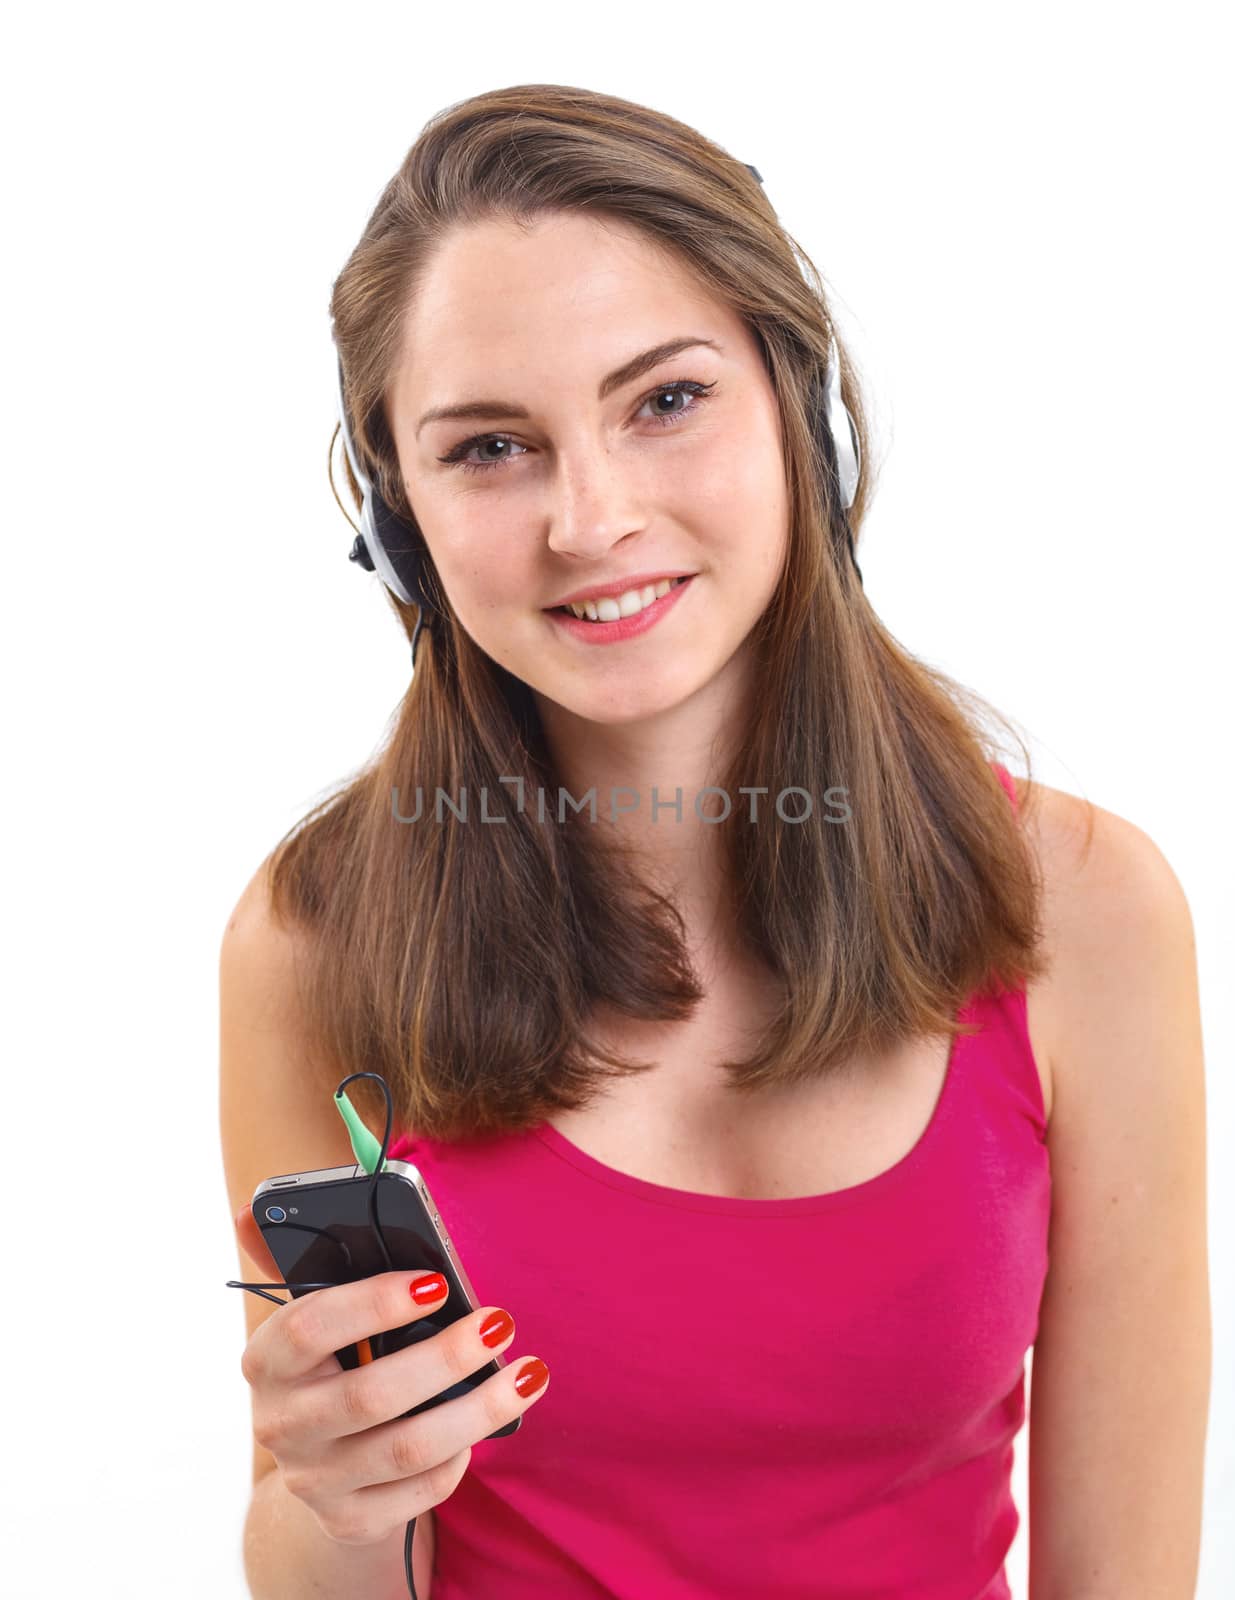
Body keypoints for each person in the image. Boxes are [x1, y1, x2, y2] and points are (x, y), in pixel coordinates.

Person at [220, 83, 1211, 1600]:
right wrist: (342, 1501)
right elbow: (321, 1570)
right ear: (398, 522)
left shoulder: (1083, 909)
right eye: (491, 447)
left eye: (666, 400)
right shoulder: (317, 938)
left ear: (796, 408)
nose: (591, 518)